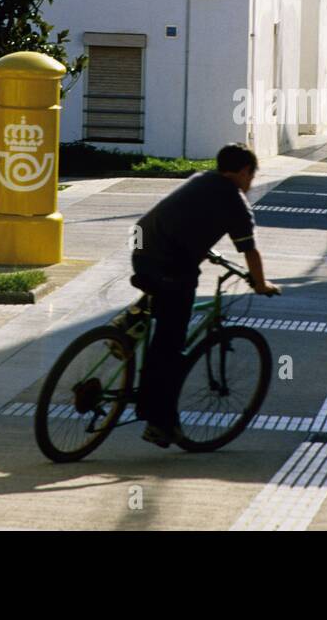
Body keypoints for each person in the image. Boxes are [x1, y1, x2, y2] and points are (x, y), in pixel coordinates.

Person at [124, 143, 281, 447]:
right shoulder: (235, 202)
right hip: (170, 266)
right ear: (245, 172)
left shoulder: (201, 179)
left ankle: (127, 328)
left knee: (164, 298)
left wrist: (205, 249)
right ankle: (158, 422)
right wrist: (261, 285)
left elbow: (184, 218)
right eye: (252, 176)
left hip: (143, 248)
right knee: (171, 347)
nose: (250, 184)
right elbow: (250, 251)